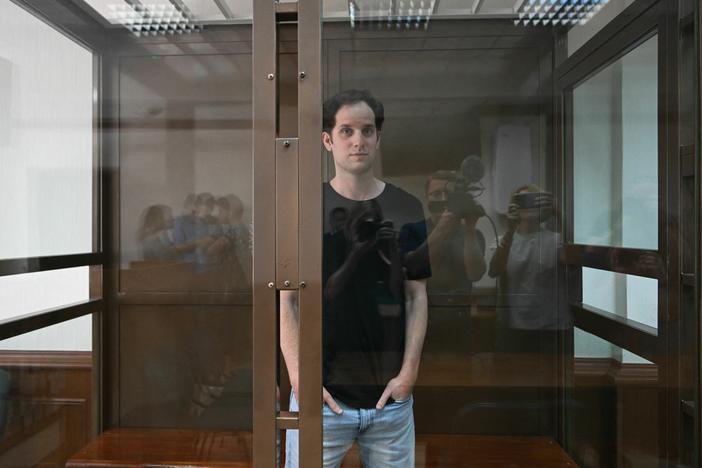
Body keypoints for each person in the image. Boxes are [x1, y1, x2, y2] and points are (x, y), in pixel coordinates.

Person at [281, 89, 430, 467]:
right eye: (346, 131)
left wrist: (408, 374)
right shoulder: (305, 210)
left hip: (389, 399)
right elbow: (288, 300)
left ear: (378, 138)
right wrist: (300, 380)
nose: (358, 141)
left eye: (367, 131)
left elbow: (415, 296)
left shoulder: (406, 207)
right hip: (323, 395)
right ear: (328, 140)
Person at [488, 184, 567, 353]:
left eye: (534, 200)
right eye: (522, 201)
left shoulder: (555, 240)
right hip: (512, 326)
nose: (529, 205)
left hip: (550, 327)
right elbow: (495, 270)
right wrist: (510, 229)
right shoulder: (503, 241)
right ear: (513, 207)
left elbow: (573, 257)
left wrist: (558, 212)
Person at [423, 170, 486, 294]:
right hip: (426, 309)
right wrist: (442, 228)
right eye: (436, 194)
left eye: (448, 194)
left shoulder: (473, 233)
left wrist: (470, 229)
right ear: (427, 198)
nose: (443, 199)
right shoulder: (414, 231)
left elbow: (475, 275)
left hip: (461, 309)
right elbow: (417, 269)